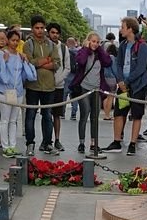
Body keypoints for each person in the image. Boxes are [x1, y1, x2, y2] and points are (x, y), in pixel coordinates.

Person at [103, 17, 147, 156]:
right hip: (123, 84)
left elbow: (141, 68)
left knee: (136, 115)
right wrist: (120, 80)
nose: (121, 29)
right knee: (119, 113)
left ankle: (132, 143)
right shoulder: (123, 45)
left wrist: (127, 81)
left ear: (130, 28)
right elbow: (118, 63)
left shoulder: (142, 46)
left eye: (123, 27)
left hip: (137, 85)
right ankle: (116, 141)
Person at [71, 31, 114, 153]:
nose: (95, 44)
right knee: (85, 114)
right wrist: (86, 48)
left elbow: (108, 62)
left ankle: (94, 143)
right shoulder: (82, 52)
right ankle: (81, 142)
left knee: (95, 117)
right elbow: (82, 62)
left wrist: (99, 49)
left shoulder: (100, 54)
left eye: (97, 42)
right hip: (84, 87)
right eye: (93, 41)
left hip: (97, 88)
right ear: (88, 41)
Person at [23, 16, 58, 156]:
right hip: (33, 85)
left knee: (47, 115)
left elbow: (56, 63)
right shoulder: (28, 44)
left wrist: (42, 62)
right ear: (32, 29)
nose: (40, 31)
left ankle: (47, 143)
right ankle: (30, 143)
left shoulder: (51, 45)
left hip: (49, 86)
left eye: (42, 28)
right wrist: (45, 60)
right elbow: (30, 62)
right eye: (37, 28)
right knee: (30, 114)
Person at [0, 28, 30, 157]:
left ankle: (13, 145)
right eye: (13, 40)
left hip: (18, 91)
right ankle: (5, 146)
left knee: (14, 120)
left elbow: (23, 74)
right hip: (5, 90)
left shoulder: (20, 55)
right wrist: (5, 61)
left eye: (17, 41)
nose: (15, 43)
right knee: (5, 119)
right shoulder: (2, 54)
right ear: (8, 40)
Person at [46, 22, 69, 152]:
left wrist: (58, 79)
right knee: (46, 114)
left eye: (56, 33)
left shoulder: (64, 48)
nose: (54, 35)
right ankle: (46, 140)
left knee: (57, 114)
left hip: (58, 85)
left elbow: (67, 67)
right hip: (45, 85)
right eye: (52, 32)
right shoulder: (44, 45)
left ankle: (57, 139)